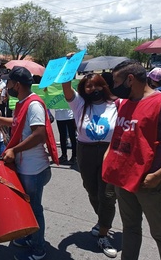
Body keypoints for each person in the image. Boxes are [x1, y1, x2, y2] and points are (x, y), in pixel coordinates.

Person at [0, 67, 58, 260]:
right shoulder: (23, 103)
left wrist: (14, 150)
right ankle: (30, 238)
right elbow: (18, 123)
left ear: (17, 85)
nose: (6, 87)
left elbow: (39, 135)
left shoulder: (33, 104)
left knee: (34, 209)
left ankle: (39, 249)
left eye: (8, 83)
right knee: (28, 207)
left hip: (34, 170)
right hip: (27, 168)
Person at [103, 60, 161, 260]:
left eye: (116, 82)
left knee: (160, 233)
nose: (114, 87)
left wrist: (158, 176)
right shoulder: (126, 103)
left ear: (130, 79)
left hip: (151, 183)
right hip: (124, 180)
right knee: (130, 229)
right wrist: (109, 158)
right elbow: (120, 136)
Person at [62, 70, 118, 258]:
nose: (93, 88)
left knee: (107, 194)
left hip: (109, 151)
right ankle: (102, 219)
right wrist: (70, 67)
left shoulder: (116, 104)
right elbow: (66, 87)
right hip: (85, 152)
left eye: (97, 84)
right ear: (84, 90)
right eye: (88, 86)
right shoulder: (79, 104)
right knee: (92, 190)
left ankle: (103, 234)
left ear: (104, 85)